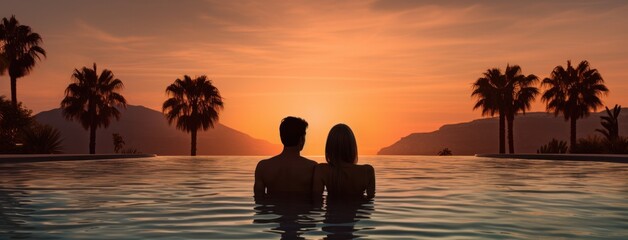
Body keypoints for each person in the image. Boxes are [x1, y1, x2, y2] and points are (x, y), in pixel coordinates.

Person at [254, 116, 317, 198]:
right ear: (301, 139)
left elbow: (258, 201)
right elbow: (317, 201)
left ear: (281, 137)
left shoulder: (263, 167)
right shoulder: (313, 168)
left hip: (274, 210)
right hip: (301, 210)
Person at [313, 124, 375, 199]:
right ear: (352, 147)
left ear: (329, 147)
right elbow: (370, 203)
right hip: (357, 210)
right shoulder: (367, 171)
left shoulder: (322, 170)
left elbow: (316, 201)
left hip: (333, 210)